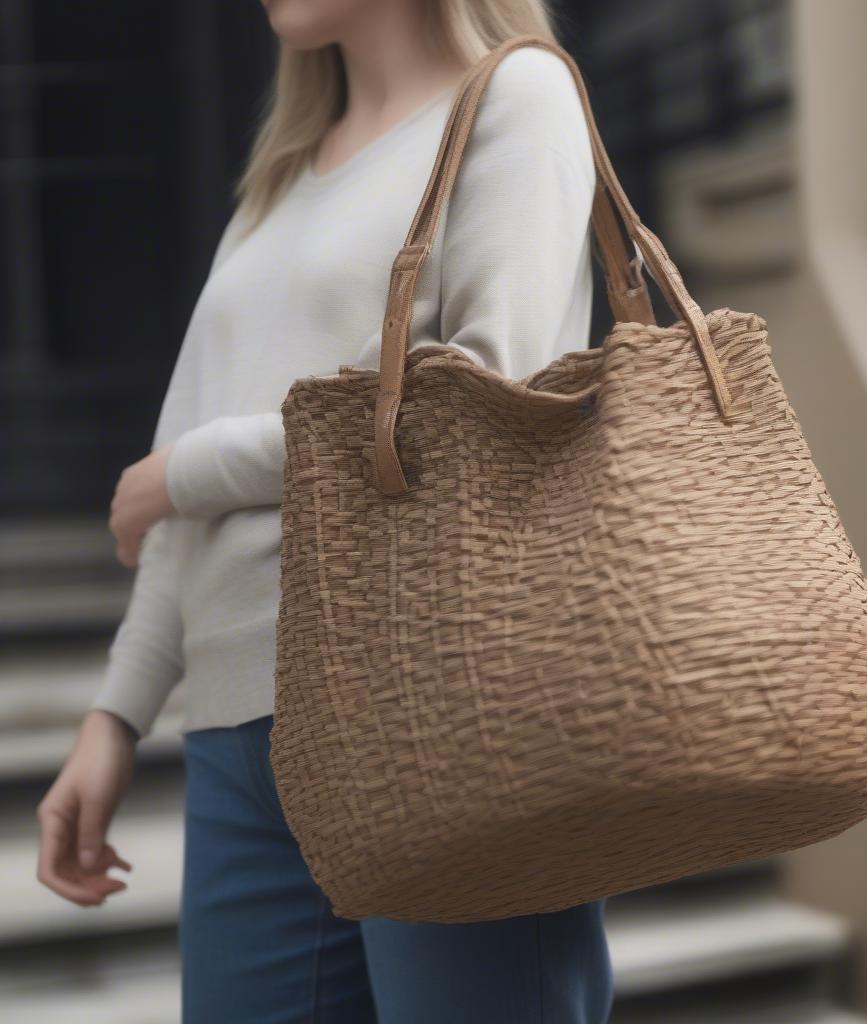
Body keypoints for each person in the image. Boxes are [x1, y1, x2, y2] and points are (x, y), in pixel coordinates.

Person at [36, 0, 614, 1020]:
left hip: (434, 702)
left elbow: (483, 401)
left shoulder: (517, 97)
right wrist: (117, 712)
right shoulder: (281, 176)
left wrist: (198, 469)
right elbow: (186, 471)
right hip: (237, 737)